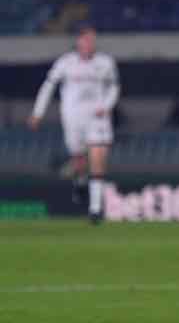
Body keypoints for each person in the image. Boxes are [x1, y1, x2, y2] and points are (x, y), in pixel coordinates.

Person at [27, 24, 119, 224]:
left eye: (91, 40)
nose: (88, 43)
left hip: (97, 117)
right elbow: (48, 86)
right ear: (78, 42)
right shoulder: (65, 63)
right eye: (85, 39)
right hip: (73, 119)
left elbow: (114, 88)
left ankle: (95, 210)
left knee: (98, 155)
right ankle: (79, 182)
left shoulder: (105, 63)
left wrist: (107, 105)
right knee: (79, 161)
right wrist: (37, 113)